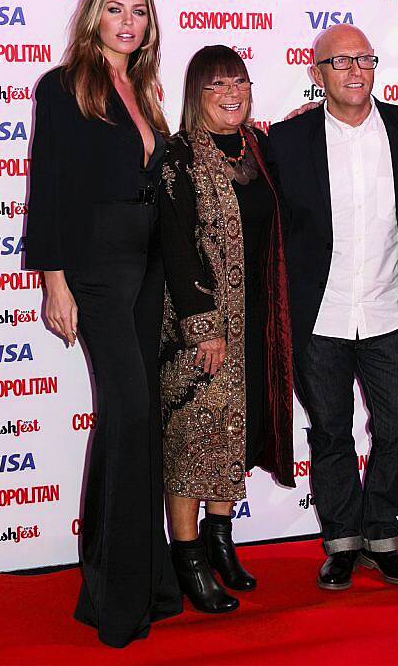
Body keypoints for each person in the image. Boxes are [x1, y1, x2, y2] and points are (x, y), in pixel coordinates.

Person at [24, 0, 182, 647]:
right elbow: (49, 182)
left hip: (147, 268)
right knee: (131, 413)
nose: (127, 22)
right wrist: (53, 280)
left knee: (137, 423)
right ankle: (113, 596)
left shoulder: (143, 90)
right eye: (114, 10)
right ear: (93, 17)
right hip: (95, 269)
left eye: (138, 12)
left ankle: (143, 579)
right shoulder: (63, 88)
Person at [267, 24, 398, 591]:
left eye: (365, 59)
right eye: (341, 63)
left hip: (390, 309)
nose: (357, 71)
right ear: (317, 74)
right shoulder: (288, 142)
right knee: (330, 432)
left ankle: (381, 532)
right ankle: (342, 542)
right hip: (320, 316)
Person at [158, 45, 295, 613]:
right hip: (204, 322)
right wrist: (203, 325)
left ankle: (220, 539)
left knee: (233, 434)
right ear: (196, 94)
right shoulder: (180, 156)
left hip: (257, 317)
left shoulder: (258, 148)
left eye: (238, 81)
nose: (231, 93)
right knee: (195, 437)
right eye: (216, 85)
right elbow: (175, 245)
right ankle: (187, 557)